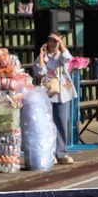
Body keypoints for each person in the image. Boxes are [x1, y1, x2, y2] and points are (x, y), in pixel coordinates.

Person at [35, 32, 78, 163]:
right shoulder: (44, 56)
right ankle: (50, 153)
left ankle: (61, 153)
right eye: (51, 41)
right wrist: (41, 55)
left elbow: (68, 58)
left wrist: (60, 42)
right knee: (48, 124)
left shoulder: (61, 56)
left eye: (55, 41)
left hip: (63, 93)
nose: (52, 44)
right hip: (48, 93)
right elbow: (39, 72)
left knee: (62, 123)